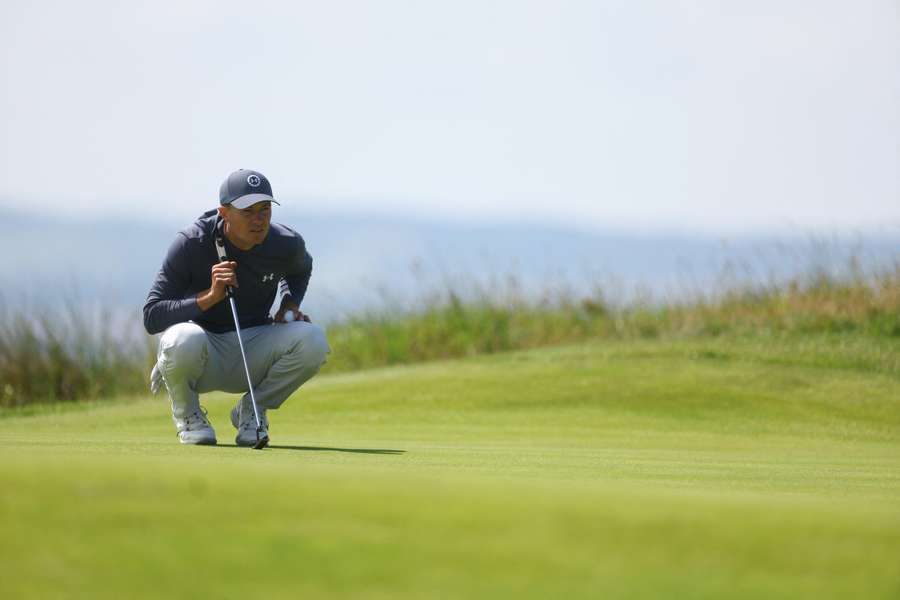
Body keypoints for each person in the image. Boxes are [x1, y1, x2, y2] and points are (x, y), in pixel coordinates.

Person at [143, 169, 330, 446]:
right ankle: (188, 415)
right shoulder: (191, 243)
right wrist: (208, 297)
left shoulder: (285, 243)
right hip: (202, 352)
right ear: (224, 212)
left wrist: (289, 304)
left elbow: (302, 269)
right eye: (247, 211)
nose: (258, 220)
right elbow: (152, 316)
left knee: (313, 339)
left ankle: (252, 409)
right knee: (182, 338)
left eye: (264, 210)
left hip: (254, 346)